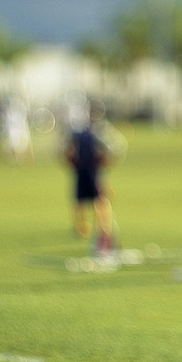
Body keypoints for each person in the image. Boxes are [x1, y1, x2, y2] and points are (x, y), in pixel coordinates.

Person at [64, 99, 119, 253]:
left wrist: (103, 162)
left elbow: (111, 151)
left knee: (99, 200)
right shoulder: (80, 131)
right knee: (82, 200)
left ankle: (103, 229)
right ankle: (83, 226)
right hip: (83, 171)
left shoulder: (100, 131)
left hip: (93, 172)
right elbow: (67, 150)